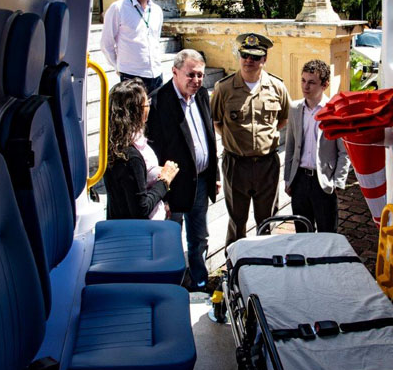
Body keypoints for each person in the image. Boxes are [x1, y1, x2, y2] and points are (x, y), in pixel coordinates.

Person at [147, 49, 220, 291]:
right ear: (175, 71)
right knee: (171, 237)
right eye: (191, 75)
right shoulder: (158, 102)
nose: (196, 80)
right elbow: (156, 151)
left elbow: (210, 138)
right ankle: (175, 284)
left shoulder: (201, 95)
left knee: (199, 236)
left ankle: (199, 280)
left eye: (200, 75)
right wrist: (162, 194)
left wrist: (214, 175)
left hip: (201, 181)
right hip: (173, 186)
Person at [211, 33, 290, 246]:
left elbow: (282, 119)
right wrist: (235, 140)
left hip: (267, 165)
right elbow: (217, 122)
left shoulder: (277, 87)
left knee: (267, 219)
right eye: (245, 55)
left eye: (255, 57)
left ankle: (264, 258)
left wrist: (264, 139)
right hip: (236, 165)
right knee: (237, 220)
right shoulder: (224, 88)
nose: (249, 60)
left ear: (265, 59)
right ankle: (235, 260)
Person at [284, 60, 350, 232]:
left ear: (325, 85)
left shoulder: (334, 111)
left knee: (327, 234)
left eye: (312, 82)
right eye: (303, 80)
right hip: (299, 180)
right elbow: (290, 146)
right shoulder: (295, 108)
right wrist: (288, 179)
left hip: (323, 182)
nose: (305, 86)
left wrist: (338, 181)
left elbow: (344, 152)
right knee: (302, 233)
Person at [103, 79, 179, 219]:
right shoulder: (131, 156)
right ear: (136, 111)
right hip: (141, 228)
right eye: (147, 103)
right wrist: (165, 180)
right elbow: (141, 209)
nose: (149, 107)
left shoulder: (115, 143)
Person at [100, 0, 165, 93]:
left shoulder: (157, 11)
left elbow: (155, 40)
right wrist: (119, 66)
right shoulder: (118, 8)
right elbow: (106, 44)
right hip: (132, 76)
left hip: (156, 75)